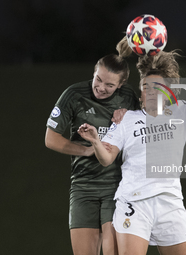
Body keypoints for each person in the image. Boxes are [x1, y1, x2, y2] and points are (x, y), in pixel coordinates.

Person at [77, 50, 186, 255]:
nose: (152, 91)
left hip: (170, 202)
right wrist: (95, 141)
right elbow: (106, 159)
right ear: (141, 95)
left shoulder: (180, 112)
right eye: (146, 87)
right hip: (134, 201)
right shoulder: (126, 120)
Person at [44, 37, 140, 255]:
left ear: (121, 85)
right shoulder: (74, 95)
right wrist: (86, 149)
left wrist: (130, 115)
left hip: (117, 187)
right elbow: (51, 138)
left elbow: (144, 128)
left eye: (110, 85)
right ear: (94, 72)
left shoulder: (127, 97)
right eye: (98, 80)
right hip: (83, 186)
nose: (101, 88)